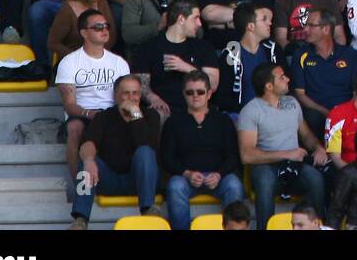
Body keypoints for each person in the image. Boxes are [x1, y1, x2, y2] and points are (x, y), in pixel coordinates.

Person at [237, 62, 328, 227]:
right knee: (265, 181)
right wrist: (286, 154)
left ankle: (318, 226)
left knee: (316, 178)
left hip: (294, 166)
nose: (287, 79)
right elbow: (246, 155)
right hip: (266, 167)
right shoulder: (250, 111)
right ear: (269, 86)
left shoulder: (292, 102)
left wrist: (318, 148)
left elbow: (306, 135)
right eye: (282, 77)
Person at [69, 74, 160, 229]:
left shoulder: (151, 115)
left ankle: (147, 210)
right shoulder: (104, 117)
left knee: (145, 152)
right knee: (85, 163)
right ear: (116, 96)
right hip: (108, 179)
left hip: (139, 180)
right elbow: (87, 144)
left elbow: (148, 145)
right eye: (126, 93)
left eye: (135, 93)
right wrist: (89, 160)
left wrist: (134, 114)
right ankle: (80, 220)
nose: (131, 97)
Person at [160, 70, 244, 230]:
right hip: (186, 178)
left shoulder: (223, 120)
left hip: (219, 177)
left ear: (209, 94)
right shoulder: (173, 122)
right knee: (175, 186)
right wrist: (187, 173)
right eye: (190, 92)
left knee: (234, 185)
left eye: (200, 92)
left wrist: (219, 174)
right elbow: (167, 158)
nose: (195, 96)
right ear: (184, 95)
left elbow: (233, 156)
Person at [131, 0, 220, 119]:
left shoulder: (203, 47)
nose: (199, 23)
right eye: (195, 18)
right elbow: (139, 84)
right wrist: (154, 99)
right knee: (153, 115)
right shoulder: (148, 47)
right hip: (162, 109)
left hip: (195, 107)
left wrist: (187, 68)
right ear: (181, 19)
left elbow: (213, 85)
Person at [288, 6, 357, 131]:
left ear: (326, 29)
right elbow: (300, 94)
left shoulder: (348, 54)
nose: (305, 29)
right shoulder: (301, 55)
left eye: (311, 25)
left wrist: (345, 111)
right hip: (318, 112)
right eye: (305, 25)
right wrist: (327, 112)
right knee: (312, 118)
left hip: (348, 110)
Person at [214, 2, 279, 117]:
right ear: (250, 26)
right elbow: (223, 98)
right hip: (241, 114)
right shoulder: (230, 55)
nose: (270, 23)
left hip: (272, 110)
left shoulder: (272, 50)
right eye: (264, 19)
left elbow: (286, 83)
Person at [47, 0, 116, 62]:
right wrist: (79, 58)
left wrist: (98, 56)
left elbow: (111, 34)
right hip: (74, 64)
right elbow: (53, 43)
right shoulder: (66, 11)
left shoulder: (101, 2)